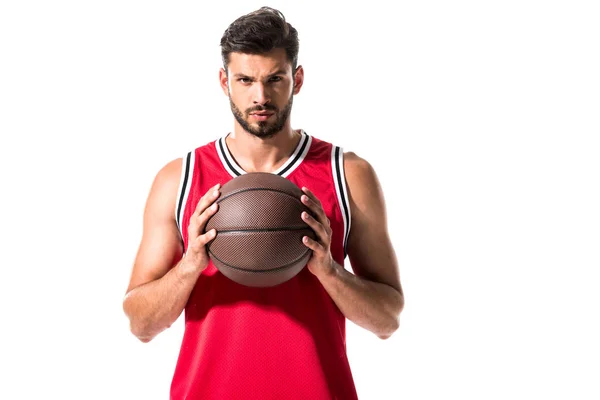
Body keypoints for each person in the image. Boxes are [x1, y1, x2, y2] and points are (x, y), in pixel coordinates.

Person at [123, 6, 404, 400]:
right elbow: (141, 325)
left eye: (275, 79)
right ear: (224, 81)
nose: (260, 96)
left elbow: (387, 319)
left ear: (297, 79)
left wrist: (328, 270)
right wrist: (189, 267)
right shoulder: (179, 179)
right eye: (245, 80)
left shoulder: (348, 174)